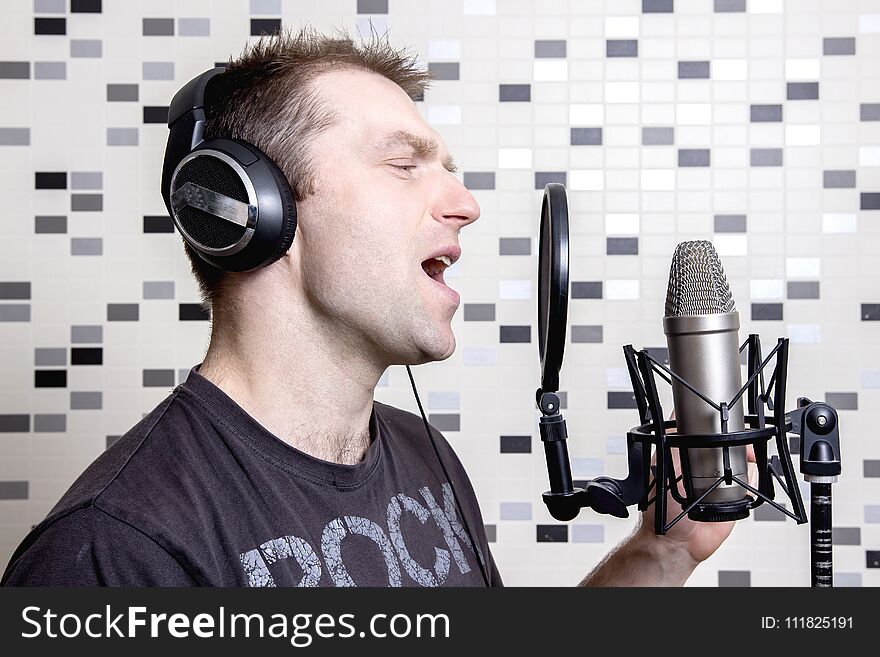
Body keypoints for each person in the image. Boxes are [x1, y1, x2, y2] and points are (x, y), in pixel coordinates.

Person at [2, 28, 740, 587]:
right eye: (403, 164)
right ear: (250, 210)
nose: (466, 205)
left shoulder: (424, 456)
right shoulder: (115, 549)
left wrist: (662, 547)